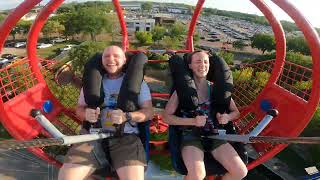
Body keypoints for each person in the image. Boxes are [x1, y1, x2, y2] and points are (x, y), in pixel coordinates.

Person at [58, 46, 153, 180]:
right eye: (106, 56)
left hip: (125, 138)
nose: (111, 59)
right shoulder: (91, 83)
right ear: (101, 60)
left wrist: (127, 116)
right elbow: (79, 109)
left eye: (116, 56)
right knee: (67, 177)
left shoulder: (139, 84)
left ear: (125, 60)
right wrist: (86, 114)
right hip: (92, 136)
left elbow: (148, 112)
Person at [163, 51, 247, 180]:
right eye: (198, 61)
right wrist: (193, 121)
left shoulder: (215, 89)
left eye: (205, 62)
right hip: (192, 136)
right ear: (190, 66)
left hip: (214, 135)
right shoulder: (182, 90)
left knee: (240, 172)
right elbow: (166, 117)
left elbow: (236, 112)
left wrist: (227, 117)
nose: (202, 65)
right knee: (197, 175)